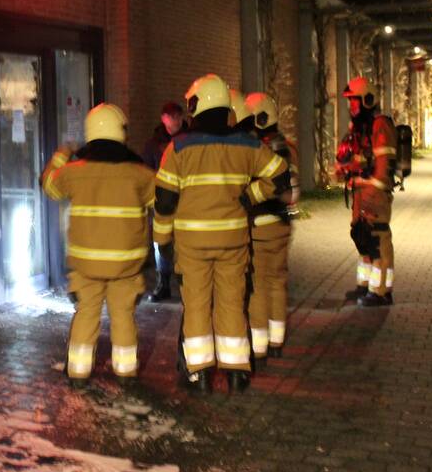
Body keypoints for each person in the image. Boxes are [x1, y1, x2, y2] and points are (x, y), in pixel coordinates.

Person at [153, 74, 290, 394]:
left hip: (192, 244)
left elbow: (165, 200)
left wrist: (162, 241)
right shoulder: (247, 143)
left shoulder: (179, 147)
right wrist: (249, 197)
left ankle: (199, 374)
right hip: (234, 241)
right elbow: (280, 176)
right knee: (231, 302)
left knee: (198, 304)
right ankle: (237, 371)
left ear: (197, 105)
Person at [40, 103, 155, 388]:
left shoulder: (75, 171)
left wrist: (61, 154)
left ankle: (78, 373)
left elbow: (49, 186)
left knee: (86, 314)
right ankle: (126, 372)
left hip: (86, 264)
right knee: (123, 316)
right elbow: (160, 200)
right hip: (126, 264)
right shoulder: (140, 172)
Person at [237, 92, 298, 365]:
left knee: (258, 286)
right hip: (282, 225)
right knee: (277, 282)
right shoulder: (287, 146)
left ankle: (259, 347)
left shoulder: (257, 149)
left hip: (259, 226)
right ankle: (276, 340)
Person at [336, 76, 398, 308]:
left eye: (354, 101)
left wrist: (372, 189)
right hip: (361, 192)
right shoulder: (361, 127)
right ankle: (365, 285)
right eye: (350, 102)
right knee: (362, 238)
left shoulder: (380, 125)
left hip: (375, 195)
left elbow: (382, 165)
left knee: (377, 239)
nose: (351, 107)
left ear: (368, 100)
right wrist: (346, 169)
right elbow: (361, 159)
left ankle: (382, 291)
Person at [141, 102, 188, 301]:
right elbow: (145, 172)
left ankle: (187, 283)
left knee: (185, 244)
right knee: (161, 244)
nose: (175, 120)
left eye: (177, 116)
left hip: (185, 202)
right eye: (171, 116)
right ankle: (164, 282)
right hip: (161, 202)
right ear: (164, 118)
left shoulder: (190, 140)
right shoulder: (153, 144)